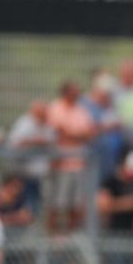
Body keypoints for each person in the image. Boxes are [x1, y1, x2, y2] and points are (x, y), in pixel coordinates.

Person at [47, 80, 96, 231]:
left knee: (76, 205)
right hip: (61, 165)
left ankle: (70, 238)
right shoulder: (55, 107)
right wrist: (79, 136)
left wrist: (72, 136)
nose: (78, 94)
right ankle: (54, 238)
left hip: (79, 165)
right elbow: (59, 133)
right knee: (57, 204)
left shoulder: (82, 111)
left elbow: (90, 134)